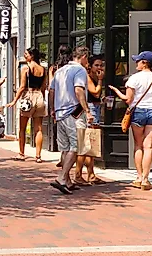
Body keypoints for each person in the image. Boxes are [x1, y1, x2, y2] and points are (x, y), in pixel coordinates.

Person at [108, 51, 152, 191]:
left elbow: (128, 99)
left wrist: (117, 92)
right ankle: (146, 180)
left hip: (139, 112)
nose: (136, 63)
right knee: (149, 147)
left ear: (144, 63)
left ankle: (139, 177)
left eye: (138, 61)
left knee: (138, 145)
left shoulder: (134, 79)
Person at [48, 46, 93, 194]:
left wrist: (52, 110)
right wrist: (87, 110)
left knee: (65, 148)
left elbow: (52, 91)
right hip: (74, 113)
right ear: (84, 57)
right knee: (75, 147)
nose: (88, 64)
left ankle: (67, 180)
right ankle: (61, 178)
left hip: (60, 113)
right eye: (88, 60)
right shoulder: (79, 70)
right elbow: (78, 90)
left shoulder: (60, 71)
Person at [7, 48, 46, 162]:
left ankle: (21, 153)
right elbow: (43, 87)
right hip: (39, 96)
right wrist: (43, 99)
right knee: (38, 128)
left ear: (32, 56)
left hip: (28, 96)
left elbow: (22, 86)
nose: (25, 56)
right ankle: (38, 156)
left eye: (26, 54)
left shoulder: (26, 68)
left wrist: (14, 100)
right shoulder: (43, 69)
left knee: (22, 128)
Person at [73, 55, 107, 186]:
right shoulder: (87, 77)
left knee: (92, 145)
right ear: (90, 66)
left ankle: (91, 174)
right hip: (90, 111)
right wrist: (100, 80)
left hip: (95, 109)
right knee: (87, 143)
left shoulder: (91, 77)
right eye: (96, 65)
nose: (99, 68)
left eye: (101, 65)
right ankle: (78, 174)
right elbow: (95, 92)